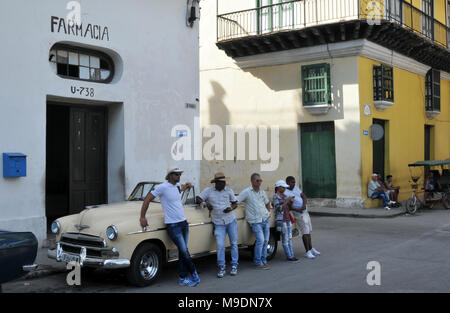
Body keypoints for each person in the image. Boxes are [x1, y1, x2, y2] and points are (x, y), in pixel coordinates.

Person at [139, 166, 200, 287]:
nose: (179, 176)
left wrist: (186, 186)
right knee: (184, 251)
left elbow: (180, 189)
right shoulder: (162, 187)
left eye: (180, 174)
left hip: (183, 223)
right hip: (173, 225)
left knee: (183, 252)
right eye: (176, 174)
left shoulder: (177, 186)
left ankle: (182, 278)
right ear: (170, 175)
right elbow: (147, 199)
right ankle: (194, 274)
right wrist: (142, 217)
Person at [196, 172, 239, 278]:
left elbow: (235, 203)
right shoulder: (208, 191)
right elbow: (198, 198)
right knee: (220, 245)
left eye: (224, 182)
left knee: (234, 244)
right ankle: (222, 267)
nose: (224, 184)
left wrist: (231, 208)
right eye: (221, 182)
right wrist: (205, 204)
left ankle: (234, 266)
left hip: (231, 220)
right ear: (216, 183)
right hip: (218, 223)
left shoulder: (229, 191)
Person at [237, 173, 272, 269]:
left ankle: (264, 260)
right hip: (255, 222)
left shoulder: (262, 192)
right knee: (260, 241)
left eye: (260, 180)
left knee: (265, 241)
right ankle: (257, 262)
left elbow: (267, 202)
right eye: (257, 180)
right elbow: (237, 200)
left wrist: (268, 213)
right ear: (252, 181)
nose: (259, 182)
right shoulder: (247, 192)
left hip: (265, 219)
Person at [284, 176, 320, 259]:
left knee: (308, 231)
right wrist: (298, 209)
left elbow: (303, 196)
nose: (294, 183)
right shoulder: (286, 193)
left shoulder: (296, 188)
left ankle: (311, 249)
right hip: (298, 214)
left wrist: (303, 206)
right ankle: (307, 252)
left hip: (304, 212)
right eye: (292, 182)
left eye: (294, 182)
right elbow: (289, 207)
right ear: (287, 183)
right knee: (305, 232)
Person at [273, 180, 298, 262]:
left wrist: (291, 202)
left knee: (289, 238)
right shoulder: (275, 196)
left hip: (287, 219)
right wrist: (287, 201)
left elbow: (289, 208)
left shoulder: (285, 195)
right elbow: (278, 208)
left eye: (285, 187)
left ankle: (292, 255)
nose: (284, 189)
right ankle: (289, 256)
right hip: (282, 220)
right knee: (285, 239)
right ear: (278, 187)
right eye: (283, 187)